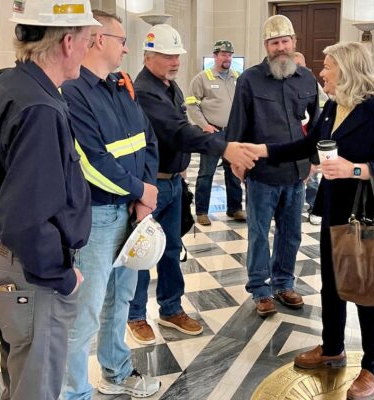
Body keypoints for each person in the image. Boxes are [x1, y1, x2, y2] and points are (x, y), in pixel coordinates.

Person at [235, 41, 374, 400]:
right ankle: (332, 348)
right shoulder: (334, 106)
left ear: (346, 70)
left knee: (368, 290)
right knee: (331, 283)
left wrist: (355, 169)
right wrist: (263, 150)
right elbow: (308, 146)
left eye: (328, 66)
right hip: (336, 209)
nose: (322, 72)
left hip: (370, 214)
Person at [0, 2, 100, 399]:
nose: (88, 49)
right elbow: (29, 217)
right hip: (34, 271)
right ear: (67, 42)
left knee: (20, 378)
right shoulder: (40, 108)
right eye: (87, 39)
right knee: (37, 387)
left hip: (11, 258)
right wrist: (62, 276)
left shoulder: (5, 86)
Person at [127, 24, 258, 345]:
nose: (175, 61)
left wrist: (182, 169)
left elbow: (179, 128)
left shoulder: (169, 87)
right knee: (142, 254)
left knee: (172, 249)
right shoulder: (145, 91)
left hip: (173, 183)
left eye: (177, 55)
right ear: (148, 56)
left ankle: (171, 309)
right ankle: (135, 314)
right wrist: (224, 147)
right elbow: (177, 131)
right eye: (167, 56)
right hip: (150, 187)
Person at [60, 10, 160, 399]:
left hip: (131, 211)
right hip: (98, 215)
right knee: (84, 312)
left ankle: (116, 372)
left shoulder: (119, 85)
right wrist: (140, 191)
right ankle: (73, 391)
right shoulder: (73, 91)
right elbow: (91, 161)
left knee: (121, 299)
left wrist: (145, 193)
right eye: (122, 41)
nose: (126, 49)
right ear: (99, 40)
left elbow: (147, 139)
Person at [226, 15, 319, 316]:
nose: (280, 47)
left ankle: (284, 284)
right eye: (274, 42)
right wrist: (237, 162)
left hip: (296, 173)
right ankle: (260, 289)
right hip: (262, 174)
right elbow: (237, 125)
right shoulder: (249, 80)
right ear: (266, 46)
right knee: (258, 233)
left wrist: (313, 162)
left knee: (291, 234)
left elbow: (317, 126)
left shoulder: (307, 79)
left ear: (294, 42)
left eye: (285, 41)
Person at [186, 40, 245, 226]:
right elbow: (191, 104)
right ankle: (202, 211)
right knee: (206, 173)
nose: (227, 58)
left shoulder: (238, 77)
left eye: (230, 55)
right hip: (213, 133)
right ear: (215, 55)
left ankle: (234, 208)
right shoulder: (202, 78)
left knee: (234, 171)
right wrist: (204, 125)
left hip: (233, 133)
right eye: (223, 54)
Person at [293, 51, 328, 226]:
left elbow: (322, 104)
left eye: (301, 65)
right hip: (291, 141)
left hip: (309, 138)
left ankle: (314, 208)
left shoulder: (312, 83)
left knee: (312, 178)